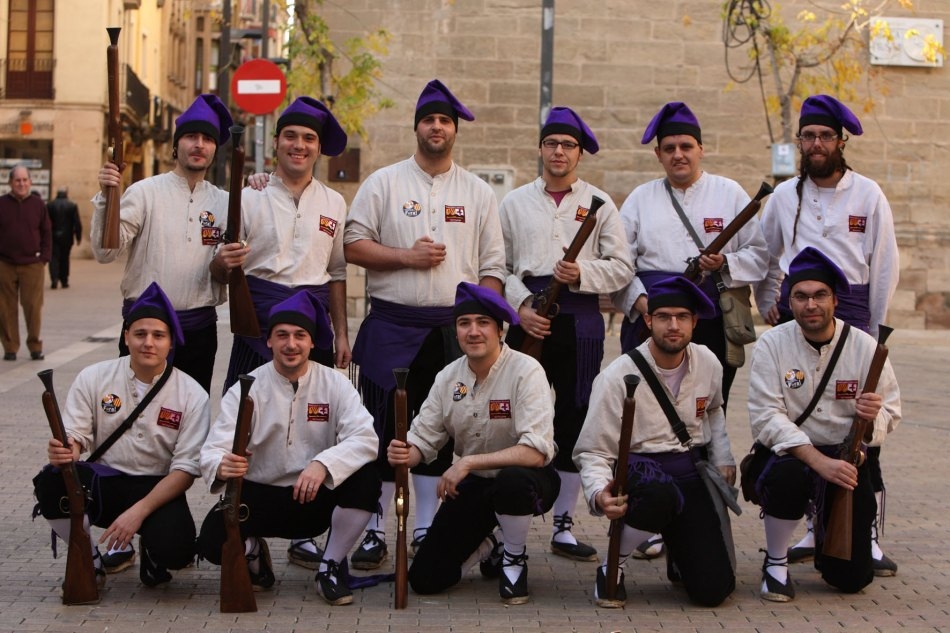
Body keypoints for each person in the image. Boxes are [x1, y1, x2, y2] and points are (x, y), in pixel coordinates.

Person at [344, 79, 507, 570]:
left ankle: (425, 526)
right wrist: (405, 257)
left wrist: (488, 332)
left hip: (454, 332)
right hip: (392, 324)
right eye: (429, 119)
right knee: (379, 430)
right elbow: (352, 245)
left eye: (445, 121)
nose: (436, 127)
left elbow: (494, 266)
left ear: (454, 131)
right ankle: (374, 528)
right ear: (416, 126)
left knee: (443, 431)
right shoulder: (384, 182)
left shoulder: (477, 192)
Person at [611, 101, 767, 557]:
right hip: (652, 316)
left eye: (687, 146)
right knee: (645, 411)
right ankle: (653, 513)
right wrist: (641, 303)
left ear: (701, 149)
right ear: (658, 154)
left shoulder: (731, 194)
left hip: (710, 314)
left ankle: (698, 504)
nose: (679, 154)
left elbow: (759, 254)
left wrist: (725, 265)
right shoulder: (640, 198)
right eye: (670, 148)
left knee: (701, 407)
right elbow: (622, 260)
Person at [754, 95, 901, 575]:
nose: (816, 145)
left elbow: (883, 265)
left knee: (860, 421)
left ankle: (867, 529)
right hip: (800, 308)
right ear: (800, 142)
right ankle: (817, 525)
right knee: (805, 409)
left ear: (841, 142)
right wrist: (770, 304)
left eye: (825, 136)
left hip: (853, 310)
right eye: (808, 137)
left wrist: (873, 331)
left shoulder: (868, 194)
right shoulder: (784, 196)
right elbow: (766, 253)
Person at [212, 95, 351, 570]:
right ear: (276, 144)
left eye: (308, 138)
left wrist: (342, 332)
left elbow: (336, 274)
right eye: (290, 136)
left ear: (318, 148)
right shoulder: (248, 196)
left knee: (314, 422)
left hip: (313, 321)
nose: (299, 145)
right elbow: (219, 264)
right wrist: (222, 262)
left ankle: (305, 527)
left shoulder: (335, 201)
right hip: (260, 318)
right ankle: (248, 526)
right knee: (247, 422)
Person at [499, 106, 633, 562]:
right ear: (540, 148)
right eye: (552, 143)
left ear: (580, 153)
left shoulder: (600, 203)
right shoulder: (514, 202)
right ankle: (505, 523)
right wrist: (520, 309)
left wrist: (580, 274)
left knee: (576, 417)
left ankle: (564, 523)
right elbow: (499, 265)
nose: (559, 152)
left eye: (569, 145)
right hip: (529, 318)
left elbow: (621, 268)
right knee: (517, 415)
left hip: (579, 322)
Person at [196, 290, 380, 606]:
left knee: (366, 478)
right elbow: (213, 448)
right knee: (212, 543)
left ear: (312, 342)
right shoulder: (247, 386)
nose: (291, 344)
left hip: (313, 497)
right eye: (281, 335)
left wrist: (324, 464)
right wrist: (221, 464)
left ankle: (330, 567)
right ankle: (254, 555)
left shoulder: (335, 384)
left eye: (300, 335)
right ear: (269, 341)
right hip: (258, 496)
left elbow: (365, 438)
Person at [387, 282, 559, 604]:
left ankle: (514, 558)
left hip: (527, 480)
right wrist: (404, 451)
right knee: (425, 579)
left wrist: (465, 463)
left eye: (483, 323)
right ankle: (490, 545)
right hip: (475, 486)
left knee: (512, 481)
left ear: (500, 330)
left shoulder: (526, 371)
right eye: (465, 323)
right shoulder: (447, 377)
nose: (473, 331)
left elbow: (536, 451)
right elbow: (424, 437)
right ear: (456, 331)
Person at [747, 247, 900, 602]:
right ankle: (776, 563)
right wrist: (817, 461)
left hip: (846, 461)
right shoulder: (772, 343)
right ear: (790, 301)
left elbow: (892, 411)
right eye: (800, 296)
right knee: (786, 476)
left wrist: (872, 414)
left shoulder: (864, 345)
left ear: (834, 299)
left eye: (819, 295)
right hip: (794, 454)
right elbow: (766, 415)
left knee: (852, 579)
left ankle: (826, 542)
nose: (810, 305)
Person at [575, 276, 737, 608]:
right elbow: (592, 449)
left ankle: (679, 550)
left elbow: (715, 410)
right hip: (642, 477)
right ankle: (612, 564)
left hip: (690, 473)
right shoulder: (616, 376)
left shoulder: (708, 361)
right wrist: (597, 493)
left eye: (682, 317)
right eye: (663, 317)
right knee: (660, 493)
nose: (673, 325)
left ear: (694, 322)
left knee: (713, 591)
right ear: (648, 320)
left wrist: (723, 456)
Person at [36, 282, 210, 589]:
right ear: (126, 336)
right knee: (52, 480)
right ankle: (89, 559)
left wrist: (138, 513)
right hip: (104, 484)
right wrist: (68, 450)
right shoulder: (94, 377)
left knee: (178, 550)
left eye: (158, 335)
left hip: (157, 488)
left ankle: (152, 550)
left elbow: (185, 470)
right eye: (140, 333)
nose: (148, 343)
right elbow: (75, 433)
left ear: (171, 342)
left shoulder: (192, 394)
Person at [91, 94, 233, 393]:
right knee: (137, 414)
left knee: (191, 419)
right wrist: (108, 197)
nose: (199, 144)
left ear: (214, 149)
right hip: (146, 331)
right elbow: (106, 252)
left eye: (207, 138)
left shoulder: (225, 202)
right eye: (191, 136)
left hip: (200, 332)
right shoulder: (145, 192)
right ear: (176, 145)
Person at [0, 165, 51, 361]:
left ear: (30, 182)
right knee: (5, 308)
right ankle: (10, 347)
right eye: (17, 180)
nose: (21, 184)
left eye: (24, 180)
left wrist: (44, 258)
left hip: (32, 264)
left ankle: (35, 346)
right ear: (10, 183)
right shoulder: (2, 204)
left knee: (33, 306)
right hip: (5, 263)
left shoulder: (38, 204)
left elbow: (47, 232)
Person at [46, 188, 82, 290]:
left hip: (53, 236)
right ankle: (64, 280)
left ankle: (54, 279)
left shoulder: (50, 205)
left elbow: (46, 223)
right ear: (66, 194)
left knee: (54, 258)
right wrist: (78, 237)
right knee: (65, 258)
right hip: (67, 237)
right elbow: (77, 223)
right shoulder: (72, 205)